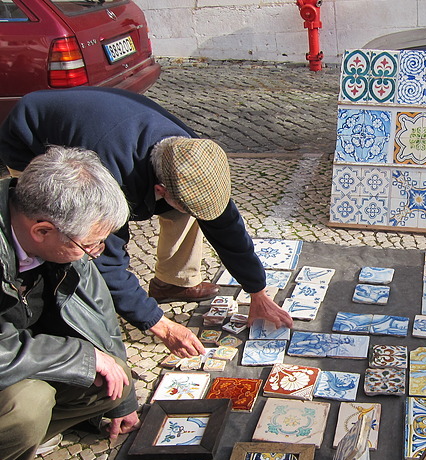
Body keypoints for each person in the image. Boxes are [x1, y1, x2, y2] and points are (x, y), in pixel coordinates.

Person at [0, 87, 293, 359]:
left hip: (104, 128)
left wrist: (258, 292)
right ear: (160, 191)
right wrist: (159, 324)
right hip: (31, 137)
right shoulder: (112, 174)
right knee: (69, 242)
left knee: (192, 209)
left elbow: (225, 225)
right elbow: (106, 258)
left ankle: (171, 283)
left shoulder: (192, 158)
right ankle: (50, 321)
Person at [0, 146, 138, 460]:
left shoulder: (67, 245)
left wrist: (122, 400)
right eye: (90, 244)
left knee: (111, 377)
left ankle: (21, 441)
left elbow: (98, 319)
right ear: (42, 230)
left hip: (21, 351)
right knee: (29, 404)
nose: (94, 255)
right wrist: (76, 356)